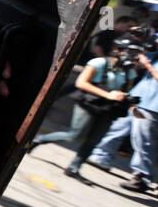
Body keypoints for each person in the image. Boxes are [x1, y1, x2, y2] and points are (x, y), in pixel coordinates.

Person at [33, 40, 143, 179]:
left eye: (136, 53)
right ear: (118, 50)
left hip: (109, 109)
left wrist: (132, 106)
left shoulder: (130, 71)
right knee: (74, 135)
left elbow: (126, 91)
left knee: (94, 140)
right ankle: (38, 140)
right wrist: (107, 94)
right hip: (89, 103)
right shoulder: (99, 63)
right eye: (130, 51)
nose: (132, 56)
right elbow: (81, 82)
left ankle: (74, 168)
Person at [88, 50, 158, 192]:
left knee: (142, 140)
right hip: (137, 98)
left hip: (152, 105)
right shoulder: (155, 53)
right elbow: (137, 65)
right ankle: (101, 157)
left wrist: (148, 65)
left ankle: (142, 177)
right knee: (118, 128)